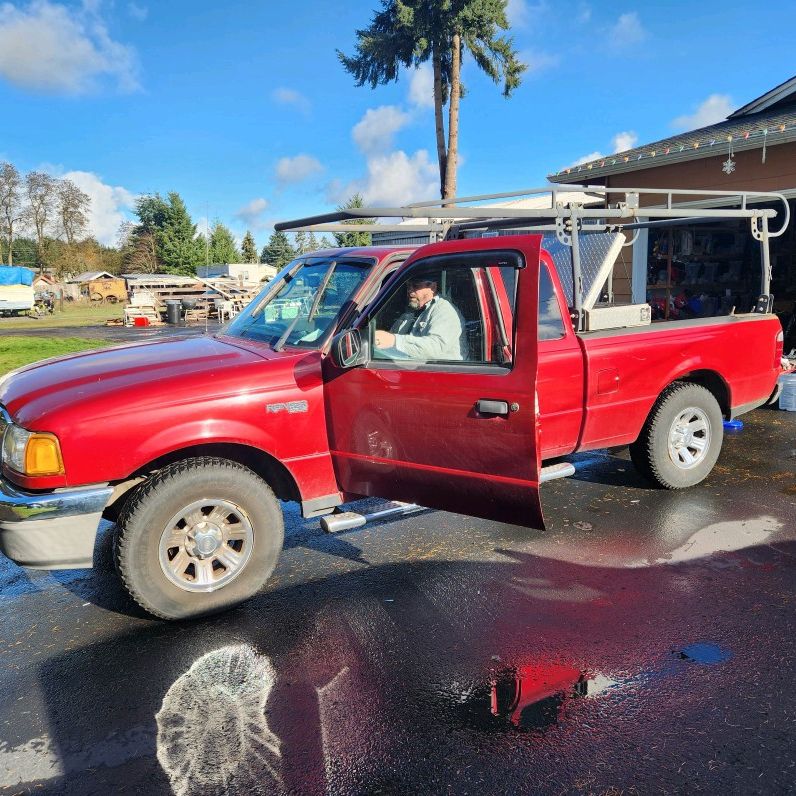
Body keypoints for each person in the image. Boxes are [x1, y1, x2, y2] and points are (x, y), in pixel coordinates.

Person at [374, 276, 466, 361]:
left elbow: (435, 349)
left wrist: (395, 340)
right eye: (408, 286)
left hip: (438, 374)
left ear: (432, 287)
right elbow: (389, 341)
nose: (410, 290)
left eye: (415, 286)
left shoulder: (444, 310)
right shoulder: (410, 313)